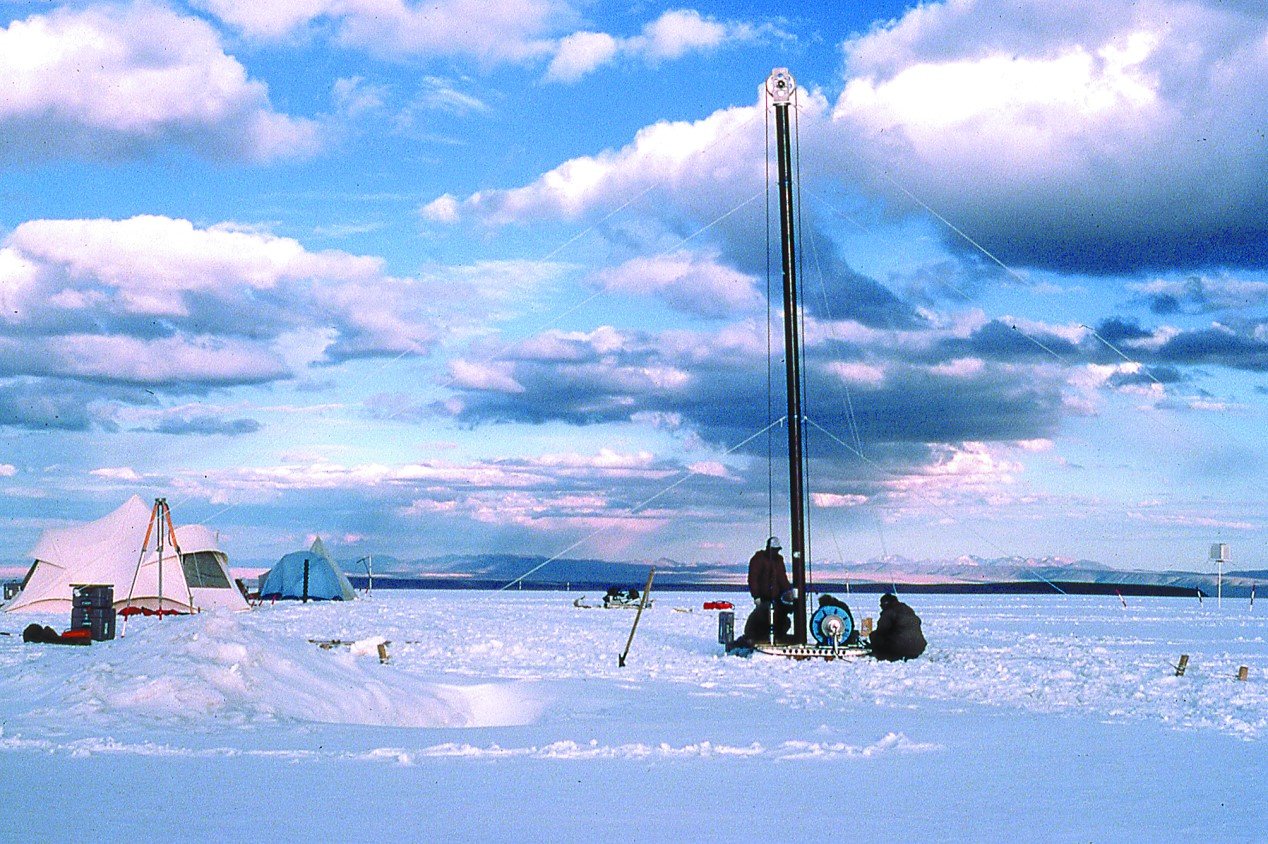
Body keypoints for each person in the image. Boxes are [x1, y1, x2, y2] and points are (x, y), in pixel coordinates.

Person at [741, 536, 793, 644]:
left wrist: (789, 594)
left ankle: (777, 637)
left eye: (777, 550)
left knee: (783, 620)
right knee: (763, 618)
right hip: (764, 597)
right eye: (774, 550)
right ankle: (758, 638)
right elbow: (753, 579)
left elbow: (782, 579)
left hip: (778, 598)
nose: (776, 552)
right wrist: (756, 596)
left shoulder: (779, 560)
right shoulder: (758, 559)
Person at [867, 593, 926, 661]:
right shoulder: (908, 610)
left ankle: (881, 654)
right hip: (918, 648)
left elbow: (882, 629)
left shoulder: (889, 612)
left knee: (875, 635)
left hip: (900, 648)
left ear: (885, 604)